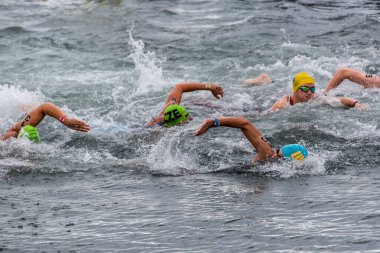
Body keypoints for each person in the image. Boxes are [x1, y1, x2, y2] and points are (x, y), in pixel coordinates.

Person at [193, 116, 308, 163]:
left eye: (278, 155)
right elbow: (244, 123)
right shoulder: (268, 152)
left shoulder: (270, 160)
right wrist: (213, 122)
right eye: (277, 153)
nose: (274, 155)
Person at [246, 72, 366, 111]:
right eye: (305, 89)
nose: (309, 92)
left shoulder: (314, 97)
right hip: (263, 101)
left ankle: (267, 80)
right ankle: (263, 81)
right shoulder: (282, 105)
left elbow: (340, 100)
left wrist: (356, 103)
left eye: (312, 89)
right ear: (295, 90)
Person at [0, 102, 90, 142]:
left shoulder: (10, 134)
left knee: (13, 133)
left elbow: (45, 107)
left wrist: (65, 120)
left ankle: (26, 108)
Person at [146, 82, 224, 127]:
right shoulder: (154, 130)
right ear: (177, 124)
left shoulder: (171, 105)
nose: (189, 119)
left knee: (200, 101)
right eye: (187, 120)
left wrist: (209, 86)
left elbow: (179, 87)